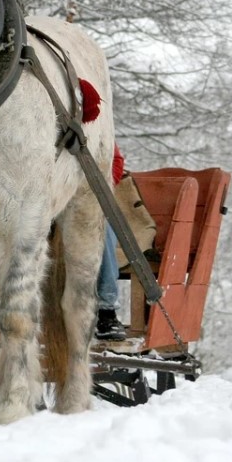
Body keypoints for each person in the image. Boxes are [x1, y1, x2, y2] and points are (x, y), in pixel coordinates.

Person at [95, 145, 128, 342]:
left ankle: (106, 311)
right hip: (46, 197)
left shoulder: (98, 123)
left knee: (103, 227)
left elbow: (115, 161)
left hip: (87, 196)